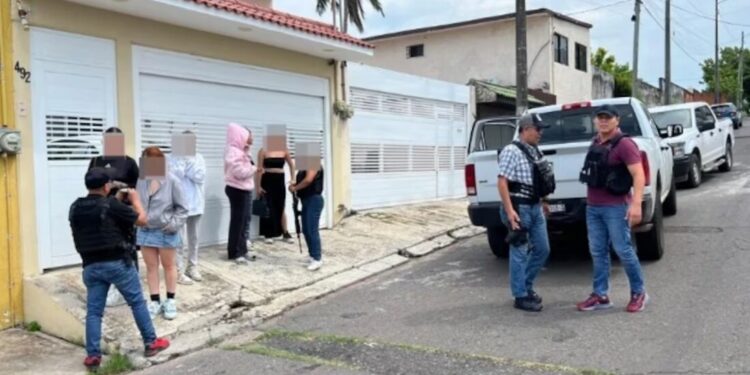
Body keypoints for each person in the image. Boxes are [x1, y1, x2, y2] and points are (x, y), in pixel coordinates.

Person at [69, 168, 170, 371]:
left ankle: (93, 355)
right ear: (106, 186)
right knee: (137, 303)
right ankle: (151, 343)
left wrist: (115, 198)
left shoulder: (76, 207)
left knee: (94, 312)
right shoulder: (112, 205)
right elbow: (142, 220)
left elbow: (98, 218)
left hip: (90, 265)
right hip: (117, 263)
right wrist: (135, 200)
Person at [576, 104, 649, 313]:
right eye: (600, 118)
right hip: (594, 207)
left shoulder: (625, 144)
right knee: (598, 252)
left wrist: (636, 204)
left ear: (617, 120)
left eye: (607, 118)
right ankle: (600, 294)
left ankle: (639, 292)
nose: (603, 121)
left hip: (616, 207)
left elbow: (638, 174)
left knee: (623, 250)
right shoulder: (596, 141)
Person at [497, 113, 555, 312]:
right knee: (519, 251)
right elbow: (502, 181)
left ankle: (525, 285)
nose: (540, 133)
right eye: (538, 129)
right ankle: (520, 295)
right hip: (519, 207)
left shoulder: (535, 151)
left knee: (542, 249)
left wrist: (544, 201)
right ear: (525, 129)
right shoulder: (511, 151)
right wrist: (510, 211)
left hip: (535, 206)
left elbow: (540, 178)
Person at [88, 127, 140, 307]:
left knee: (128, 247)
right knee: (106, 246)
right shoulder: (96, 160)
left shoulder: (129, 162)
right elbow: (90, 182)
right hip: (101, 210)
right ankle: (109, 287)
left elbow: (138, 184)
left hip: (123, 210)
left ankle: (131, 285)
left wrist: (121, 185)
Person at [135, 146, 188, 320]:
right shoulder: (141, 180)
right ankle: (155, 301)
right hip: (145, 230)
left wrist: (172, 225)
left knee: (169, 266)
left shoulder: (172, 180)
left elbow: (182, 208)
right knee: (151, 267)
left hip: (166, 230)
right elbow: (138, 203)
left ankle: (170, 300)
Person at [169, 131, 206, 285]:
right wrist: (184, 166)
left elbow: (200, 176)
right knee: (178, 239)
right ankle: (178, 269)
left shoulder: (199, 157)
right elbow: (173, 176)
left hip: (195, 204)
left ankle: (193, 266)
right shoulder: (172, 157)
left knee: (194, 238)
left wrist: (187, 165)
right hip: (178, 204)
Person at [224, 123, 257, 265]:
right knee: (238, 222)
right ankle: (235, 252)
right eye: (249, 135)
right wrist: (255, 169)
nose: (251, 138)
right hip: (238, 190)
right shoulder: (233, 152)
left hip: (245, 189)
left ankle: (243, 251)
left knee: (245, 222)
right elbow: (240, 172)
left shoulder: (242, 150)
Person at [257, 143, 296, 244]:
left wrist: (293, 179)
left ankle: (285, 232)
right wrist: (258, 186)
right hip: (267, 180)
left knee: (281, 206)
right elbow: (259, 169)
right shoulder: (263, 150)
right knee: (268, 206)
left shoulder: (284, 150)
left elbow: (291, 165)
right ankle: (268, 234)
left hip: (279, 181)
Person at [289, 162, 324, 271]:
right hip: (307, 200)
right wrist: (294, 185)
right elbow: (303, 180)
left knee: (311, 230)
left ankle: (317, 258)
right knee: (306, 229)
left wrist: (295, 188)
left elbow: (308, 180)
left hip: (313, 199)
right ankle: (312, 255)